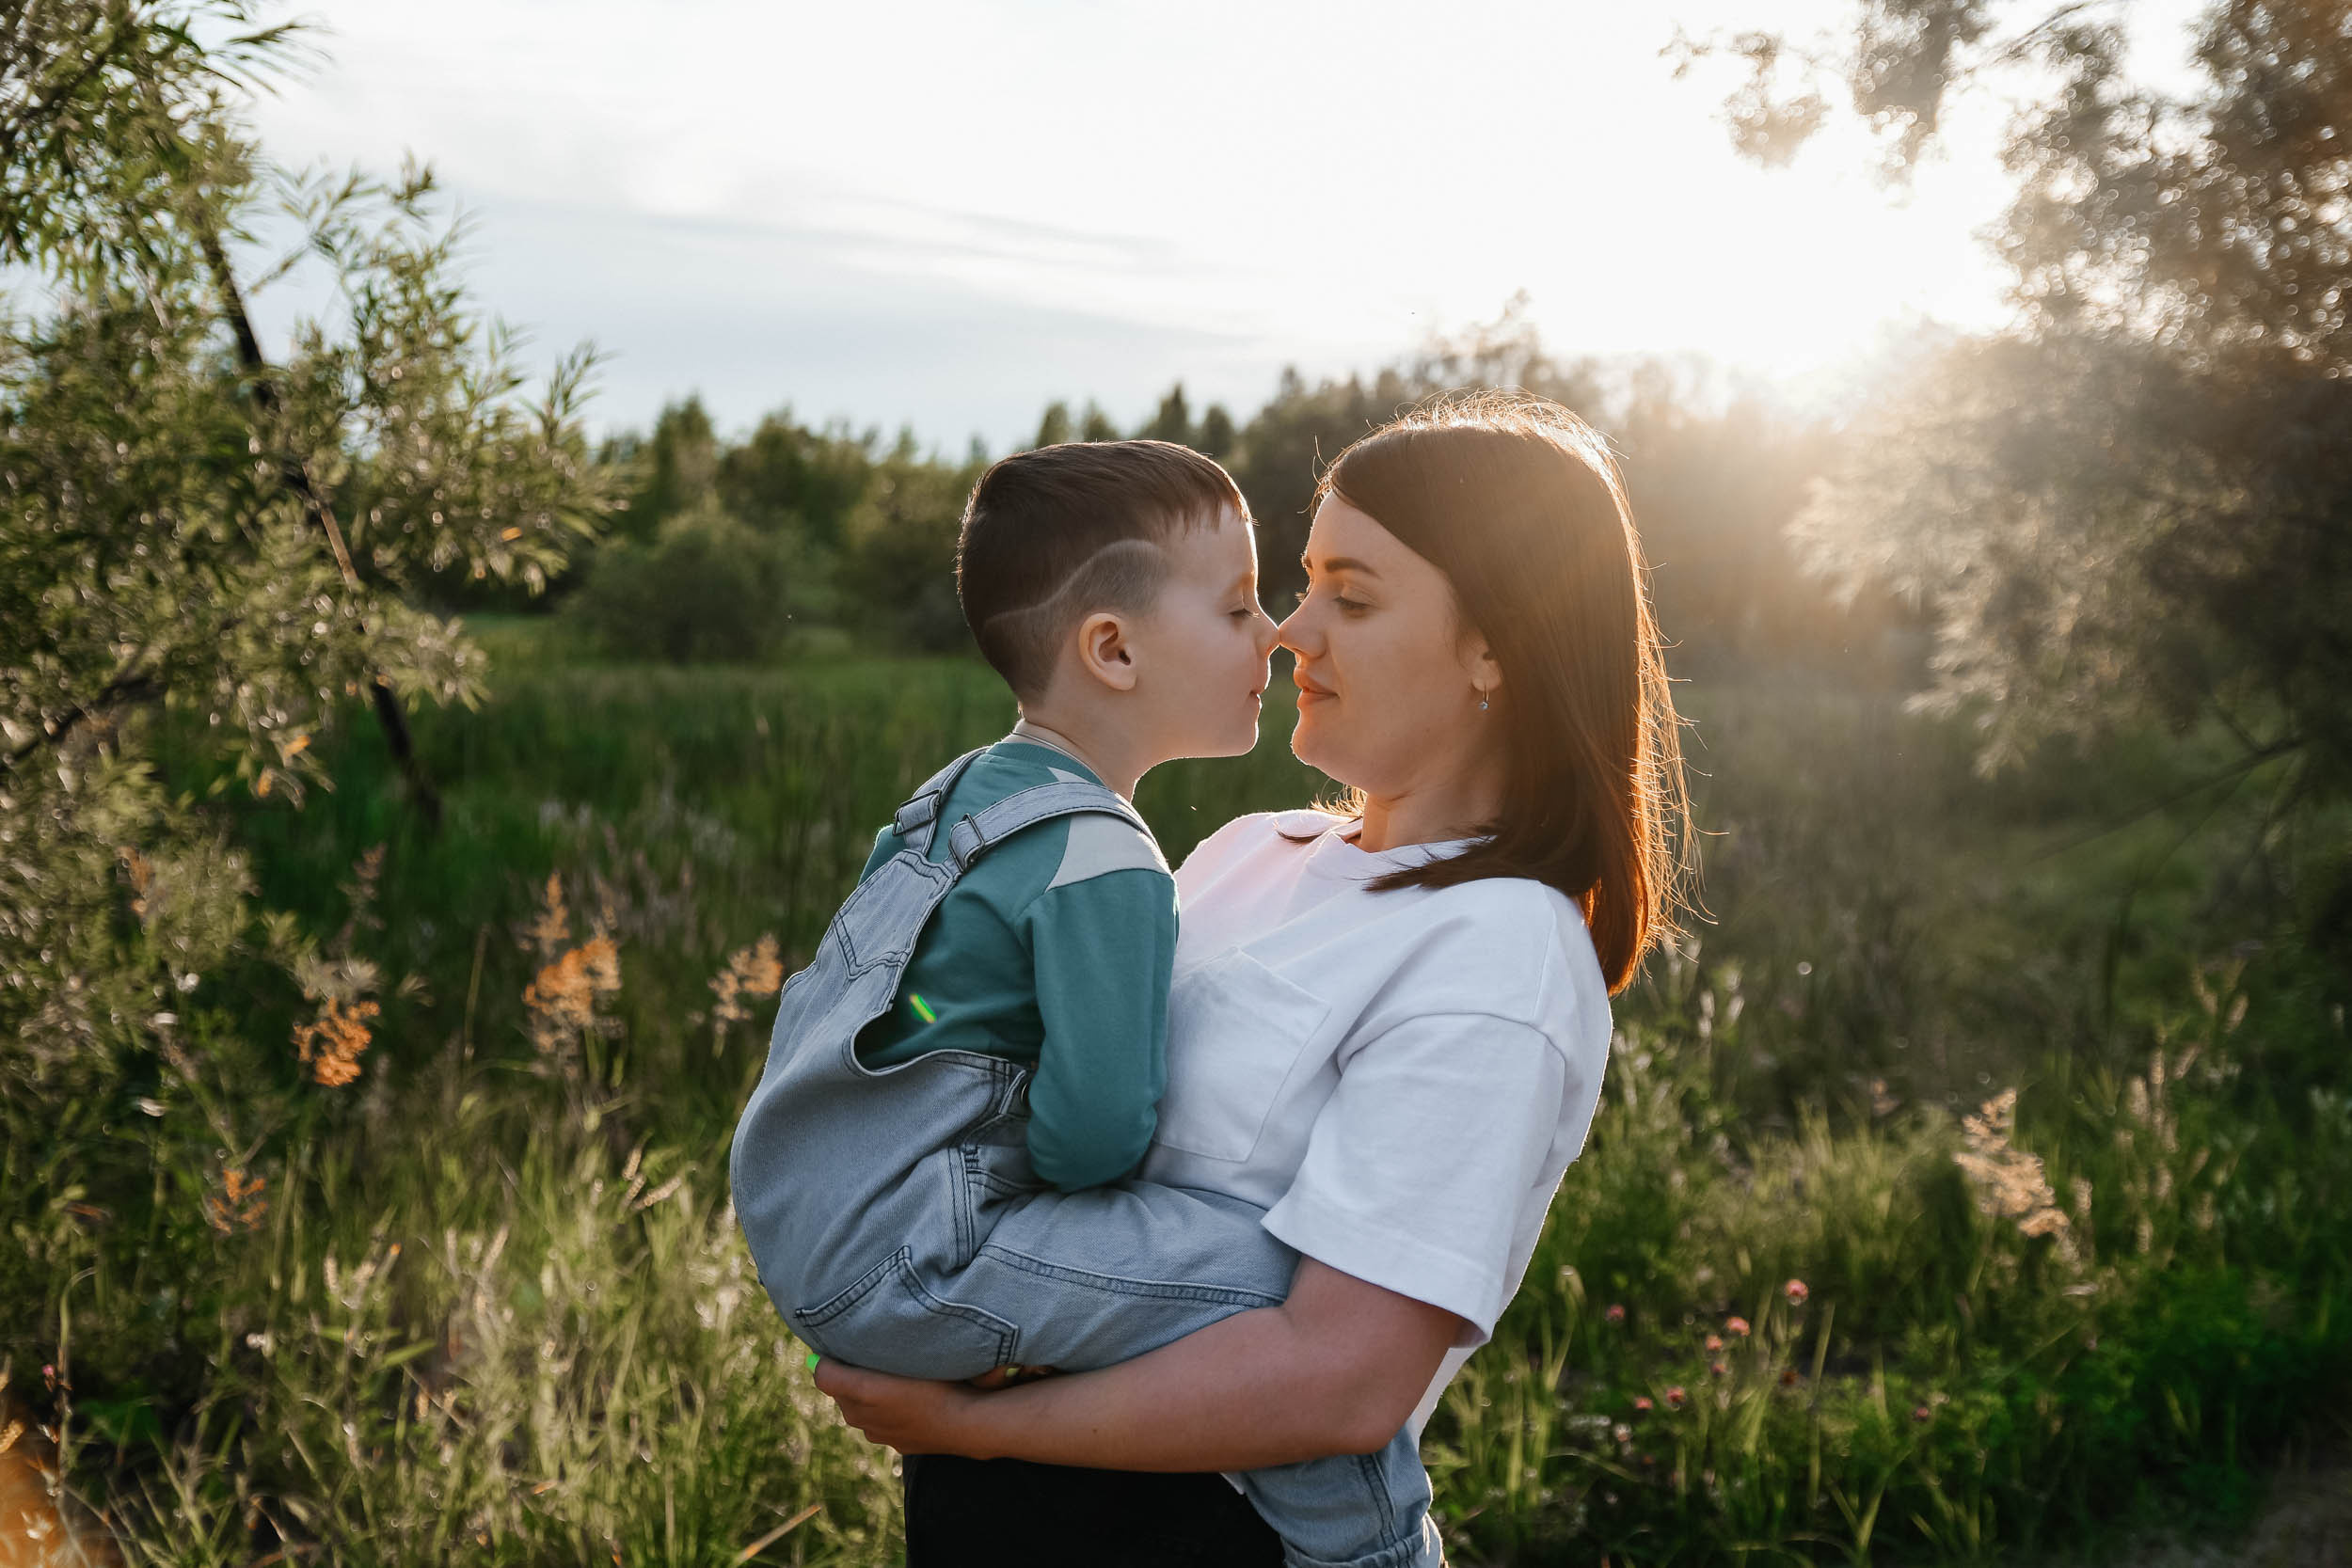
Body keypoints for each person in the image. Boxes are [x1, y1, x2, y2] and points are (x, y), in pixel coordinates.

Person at [812, 391, 1689, 1568]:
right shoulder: (1242, 851)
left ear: (1496, 641)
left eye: (1353, 597)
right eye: (1303, 583)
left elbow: (1341, 1380)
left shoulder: (1498, 947)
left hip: (1206, 1535)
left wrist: (972, 1423)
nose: (1288, 631)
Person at [730, 438, 1448, 1568]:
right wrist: (1087, 1206)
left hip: (820, 1223)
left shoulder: (963, 795)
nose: (1273, 633)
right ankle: (1371, 1551)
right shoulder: (1103, 859)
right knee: (1275, 1288)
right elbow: (1100, 1124)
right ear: (1112, 649)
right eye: (1233, 606)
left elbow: (911, 1010)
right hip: (922, 1251)